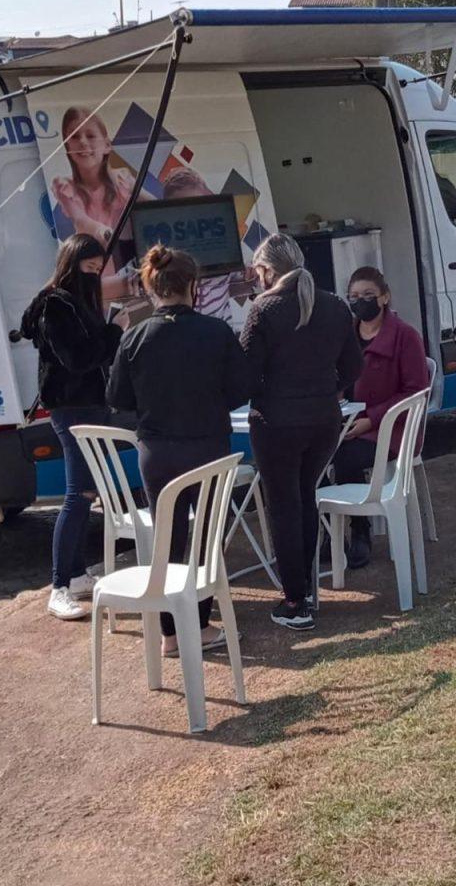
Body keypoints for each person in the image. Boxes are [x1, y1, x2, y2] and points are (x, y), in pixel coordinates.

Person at [107, 244, 252, 656]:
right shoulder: (216, 332)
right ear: (194, 286)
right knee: (207, 538)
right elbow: (242, 386)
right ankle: (201, 624)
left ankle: (170, 634)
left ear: (152, 288)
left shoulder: (134, 336)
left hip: (156, 450)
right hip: (207, 446)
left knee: (167, 539)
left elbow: (119, 397)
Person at [240, 233, 362, 632]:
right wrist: (328, 388)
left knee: (282, 507)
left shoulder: (263, 309)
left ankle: (296, 599)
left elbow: (247, 372)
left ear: (268, 271)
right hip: (323, 419)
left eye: (259, 272)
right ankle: (305, 591)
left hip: (276, 422)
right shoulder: (335, 306)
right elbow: (354, 367)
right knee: (304, 498)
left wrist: (267, 391)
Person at [20, 234, 123, 621]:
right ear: (72, 263)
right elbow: (78, 358)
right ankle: (59, 586)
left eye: (98, 270)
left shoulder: (75, 302)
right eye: (89, 268)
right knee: (77, 494)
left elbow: (87, 352)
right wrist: (114, 331)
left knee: (87, 491)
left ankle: (77, 573)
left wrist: (108, 327)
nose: (94, 276)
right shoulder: (56, 306)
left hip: (90, 403)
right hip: (71, 407)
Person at [333, 266, 429, 569]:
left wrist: (372, 419)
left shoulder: (404, 336)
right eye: (354, 297)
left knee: (344, 457)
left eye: (368, 295)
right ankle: (326, 533)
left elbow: (416, 391)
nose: (360, 302)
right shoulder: (345, 334)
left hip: (392, 430)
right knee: (311, 454)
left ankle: (360, 533)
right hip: (348, 421)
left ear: (384, 297)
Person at [51, 107, 137, 294]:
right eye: (74, 137)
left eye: (90, 136)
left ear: (107, 145)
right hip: (97, 272)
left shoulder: (123, 179)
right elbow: (81, 220)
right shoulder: (67, 187)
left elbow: (156, 206)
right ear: (67, 147)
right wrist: (105, 233)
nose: (82, 142)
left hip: (126, 269)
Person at [162, 168, 252, 324]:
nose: (190, 213)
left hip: (218, 338)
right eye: (181, 206)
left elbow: (230, 287)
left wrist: (249, 281)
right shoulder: (161, 252)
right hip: (181, 338)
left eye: (196, 205)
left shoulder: (221, 243)